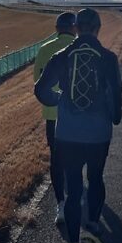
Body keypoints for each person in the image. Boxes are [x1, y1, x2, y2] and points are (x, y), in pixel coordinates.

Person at [35, 8, 122, 243]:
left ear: (76, 28)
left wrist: (59, 100)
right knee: (95, 178)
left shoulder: (62, 56)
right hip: (98, 132)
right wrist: (114, 117)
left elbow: (40, 89)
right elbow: (115, 92)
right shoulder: (108, 58)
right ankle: (93, 226)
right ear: (97, 28)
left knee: (73, 188)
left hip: (68, 133)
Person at [32, 12, 77, 225]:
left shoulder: (45, 49)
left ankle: (60, 205)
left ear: (57, 28)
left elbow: (38, 82)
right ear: (74, 28)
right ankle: (78, 197)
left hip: (52, 115)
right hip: (78, 114)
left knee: (56, 159)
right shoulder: (81, 48)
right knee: (77, 158)